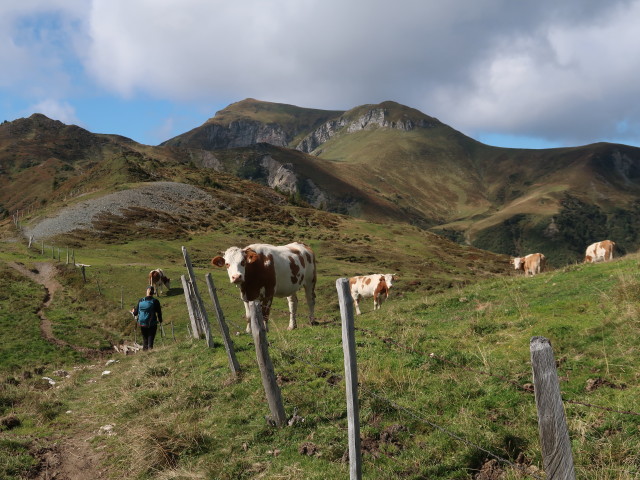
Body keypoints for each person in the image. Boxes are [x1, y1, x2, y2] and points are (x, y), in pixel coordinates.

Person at [131, 286, 163, 350]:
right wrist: (160, 320)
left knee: (145, 340)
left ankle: (144, 355)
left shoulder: (141, 300)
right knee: (150, 342)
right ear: (153, 292)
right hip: (152, 324)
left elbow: (135, 313)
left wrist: (133, 311)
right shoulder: (155, 301)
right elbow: (159, 312)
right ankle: (150, 354)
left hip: (142, 324)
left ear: (146, 292)